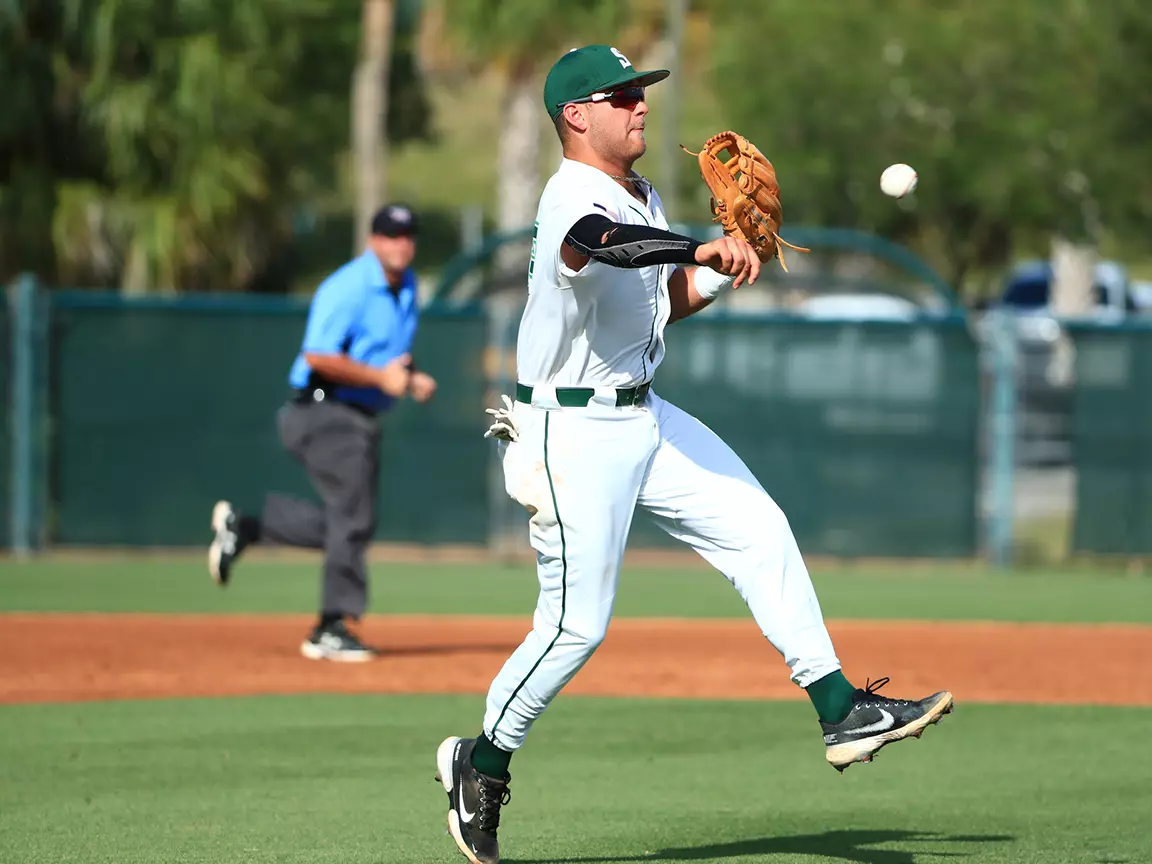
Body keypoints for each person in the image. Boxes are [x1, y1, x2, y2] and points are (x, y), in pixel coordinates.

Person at [433, 45, 953, 864]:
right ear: (577, 114)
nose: (641, 105)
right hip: (566, 434)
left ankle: (838, 710)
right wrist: (692, 247)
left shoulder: (642, 191)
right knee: (574, 628)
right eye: (623, 95)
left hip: (641, 413)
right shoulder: (575, 198)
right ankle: (482, 762)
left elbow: (655, 307)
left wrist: (714, 266)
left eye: (643, 92)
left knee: (757, 525)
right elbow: (608, 246)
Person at [208, 204, 437, 662]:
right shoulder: (349, 286)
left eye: (407, 235)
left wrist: (409, 380)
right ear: (373, 240)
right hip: (324, 410)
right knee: (352, 520)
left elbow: (381, 357)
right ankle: (332, 625)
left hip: (354, 415)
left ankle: (246, 526)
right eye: (390, 235)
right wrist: (381, 380)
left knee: (351, 522)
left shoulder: (407, 285)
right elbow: (318, 356)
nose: (401, 243)